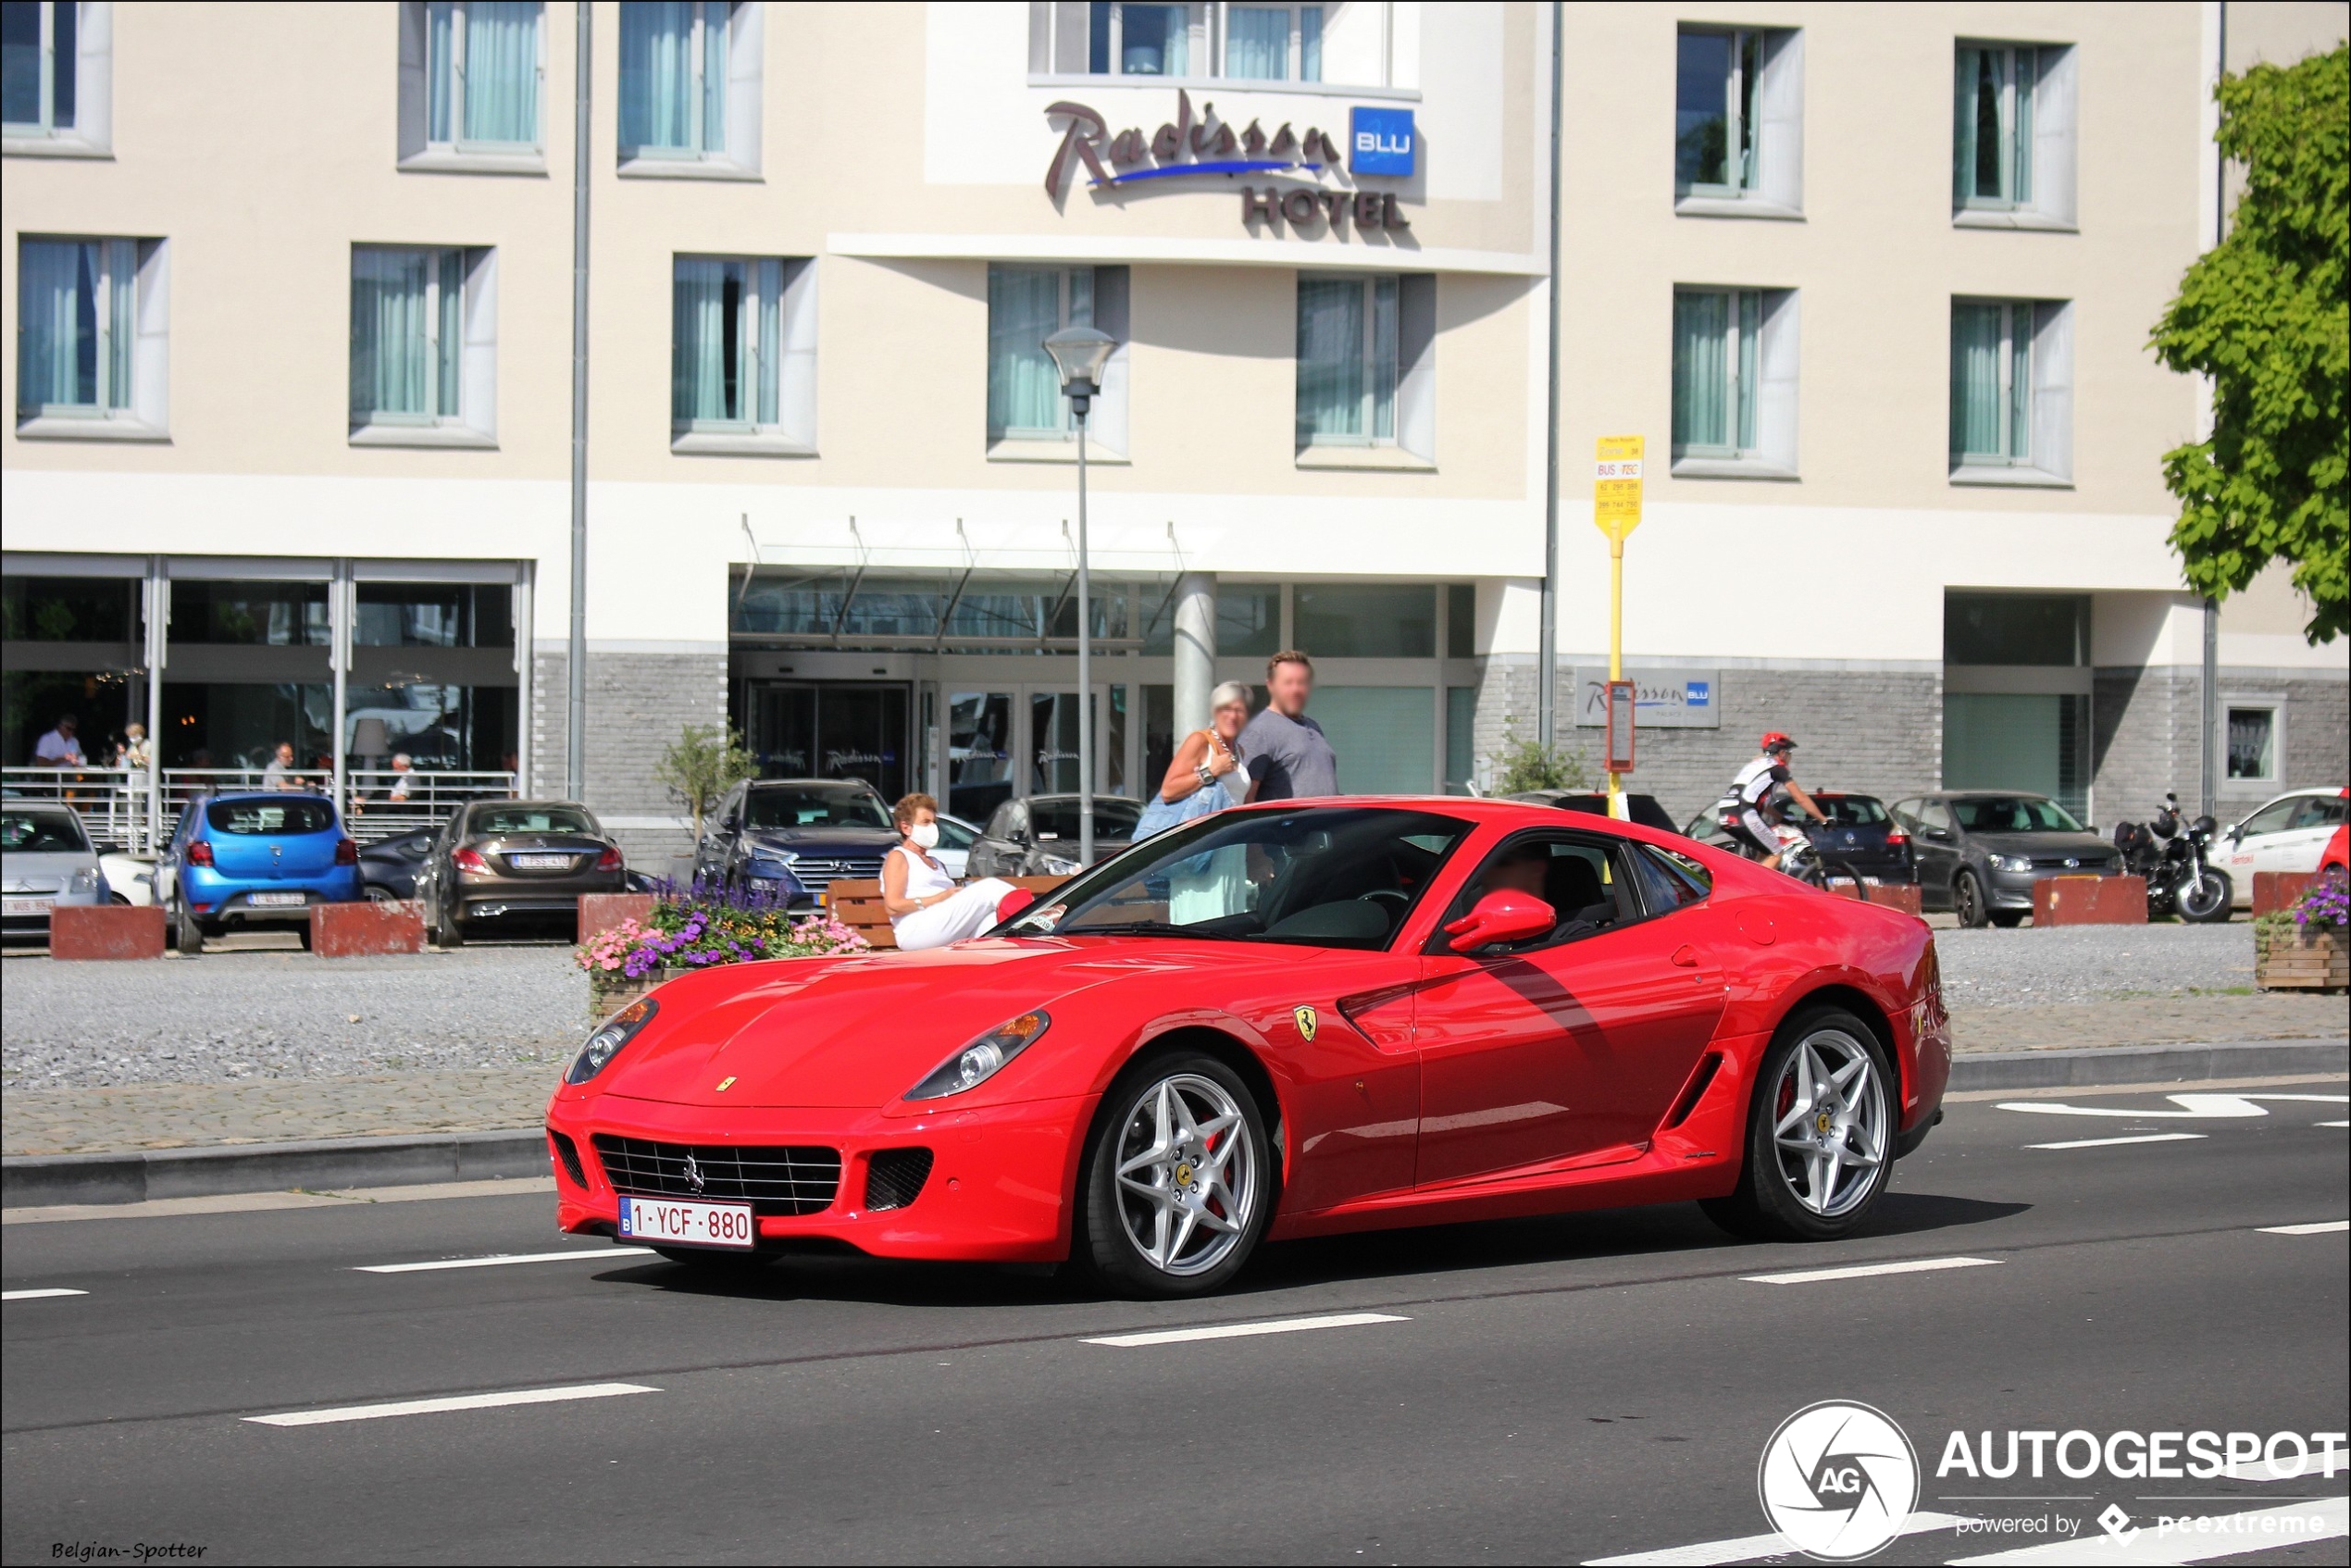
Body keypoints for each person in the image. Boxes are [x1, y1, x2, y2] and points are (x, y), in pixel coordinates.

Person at [882, 792, 1018, 951]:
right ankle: (1039, 916)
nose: (932, 828)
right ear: (906, 828)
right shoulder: (899, 856)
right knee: (990, 887)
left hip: (941, 926)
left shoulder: (937, 863)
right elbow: (893, 905)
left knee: (993, 923)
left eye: (933, 822)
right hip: (916, 929)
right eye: (925, 822)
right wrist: (941, 897)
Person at [1238, 651, 1337, 801]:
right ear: (1270, 685)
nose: (1296, 690)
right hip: (1288, 824)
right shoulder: (1259, 731)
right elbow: (1245, 799)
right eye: (1288, 683)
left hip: (1326, 823)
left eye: (1302, 683)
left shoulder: (1313, 727)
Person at [1725, 731, 1826, 870]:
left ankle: (1748, 884)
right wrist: (1823, 819)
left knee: (1764, 851)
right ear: (1783, 753)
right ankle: (1754, 889)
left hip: (1726, 812)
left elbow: (1764, 805)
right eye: (1790, 753)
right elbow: (1800, 797)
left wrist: (1782, 819)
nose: (1790, 757)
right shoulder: (1778, 768)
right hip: (1744, 813)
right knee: (1776, 852)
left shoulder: (1755, 765)